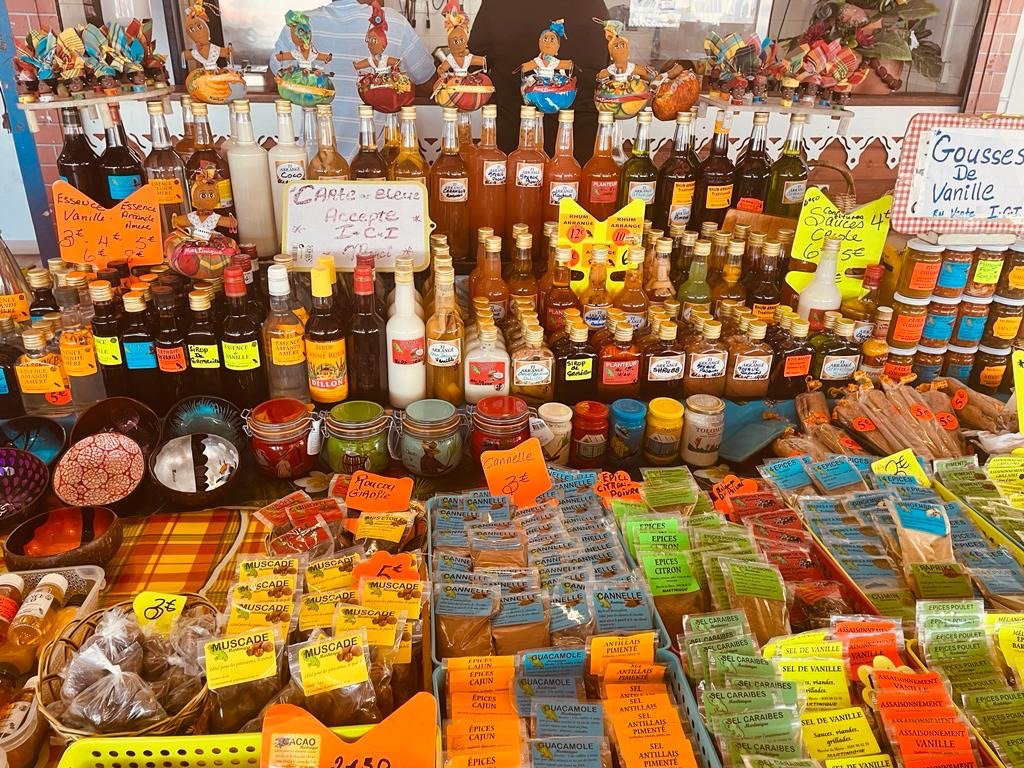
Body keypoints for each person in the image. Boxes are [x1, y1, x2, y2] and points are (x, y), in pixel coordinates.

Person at [269, 0, 434, 160]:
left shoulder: (299, 24)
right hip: (375, 163)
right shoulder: (394, 22)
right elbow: (428, 82)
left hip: (317, 160)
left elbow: (273, 79)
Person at [469, 0, 610, 163]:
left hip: (515, 138)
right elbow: (602, 68)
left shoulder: (498, 4)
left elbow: (475, 67)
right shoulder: (592, 5)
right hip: (579, 144)